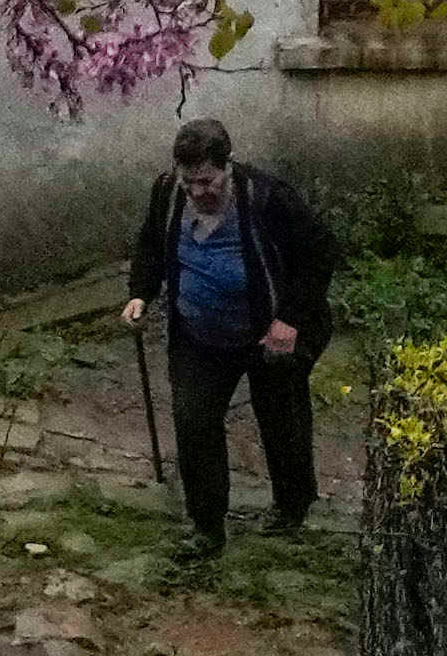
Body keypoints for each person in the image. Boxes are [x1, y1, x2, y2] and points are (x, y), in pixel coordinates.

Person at [120, 113, 344, 554]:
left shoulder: (266, 197)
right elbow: (150, 245)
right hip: (198, 332)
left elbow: (319, 252)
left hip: (267, 331)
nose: (199, 193)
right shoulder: (167, 194)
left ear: (228, 167)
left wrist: (290, 320)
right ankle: (206, 527)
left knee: (282, 419)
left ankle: (291, 508)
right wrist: (140, 295)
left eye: (208, 182)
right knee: (194, 419)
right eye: (191, 184)